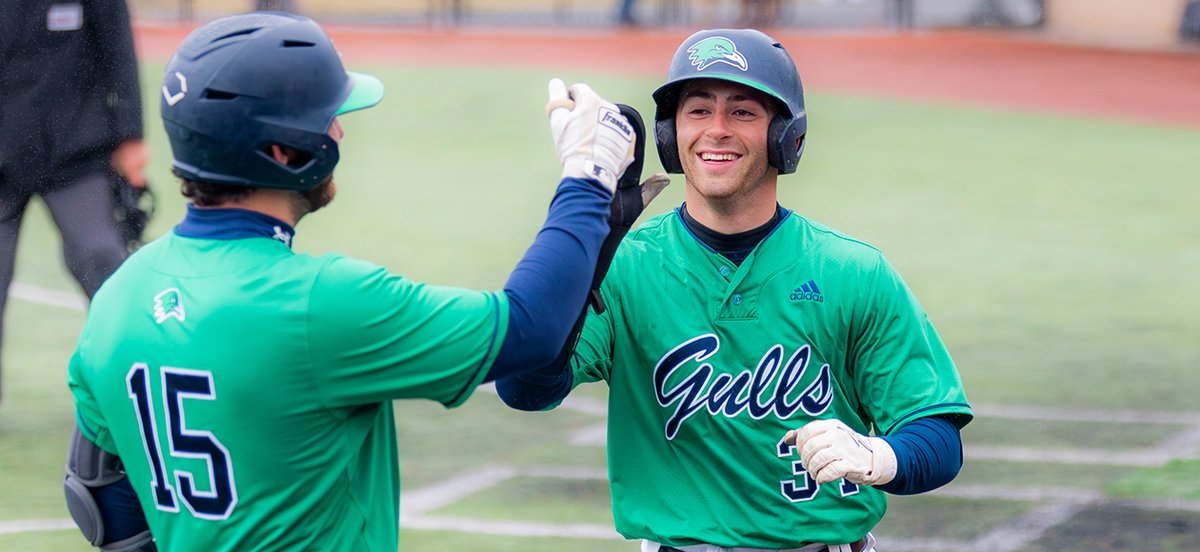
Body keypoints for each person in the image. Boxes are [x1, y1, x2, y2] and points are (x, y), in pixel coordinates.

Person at [64, 12, 647, 551]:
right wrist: (586, 176)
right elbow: (528, 329)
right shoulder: (320, 302)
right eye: (325, 119)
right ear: (281, 152)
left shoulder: (120, 293)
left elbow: (101, 499)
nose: (339, 131)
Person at [497, 28, 973, 551]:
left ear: (784, 136)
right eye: (698, 111)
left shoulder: (852, 272)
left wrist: (877, 457)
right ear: (670, 134)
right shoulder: (623, 266)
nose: (716, 130)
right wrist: (581, 252)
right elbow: (526, 390)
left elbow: (937, 438)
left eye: (742, 112)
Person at [0, 0, 149, 403]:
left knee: (103, 258)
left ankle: (132, 392)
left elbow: (117, 47)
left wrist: (131, 135)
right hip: (2, 156)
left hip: (74, 151)